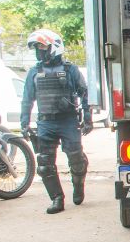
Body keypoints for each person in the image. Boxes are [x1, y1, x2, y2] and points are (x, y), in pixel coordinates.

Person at [21, 29, 91, 215]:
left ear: (55, 47)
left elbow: (85, 94)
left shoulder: (70, 70)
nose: (40, 51)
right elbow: (27, 99)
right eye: (37, 48)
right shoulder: (34, 72)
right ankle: (57, 198)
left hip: (68, 121)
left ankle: (78, 185)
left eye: (42, 47)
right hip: (45, 123)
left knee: (76, 159)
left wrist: (88, 118)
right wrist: (24, 123)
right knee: (45, 165)